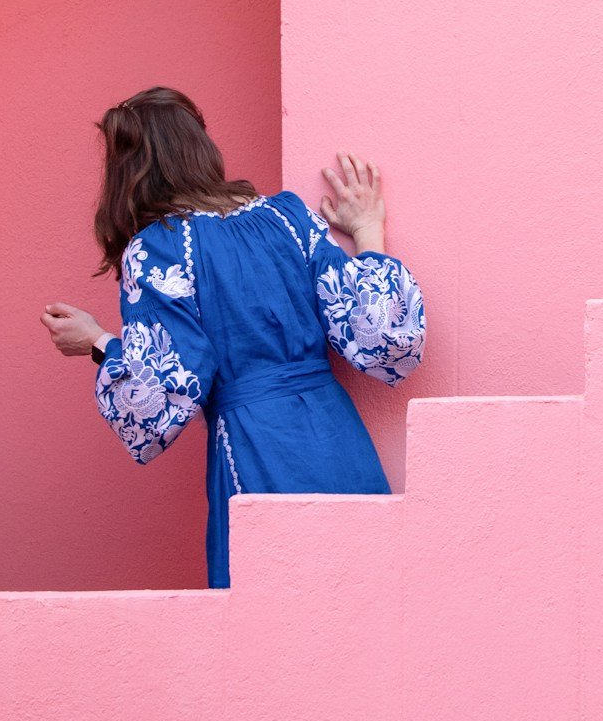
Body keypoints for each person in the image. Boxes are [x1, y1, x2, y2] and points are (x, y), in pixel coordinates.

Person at [41, 86, 424, 586]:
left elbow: (154, 401)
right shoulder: (287, 217)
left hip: (255, 445)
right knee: (364, 595)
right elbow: (383, 336)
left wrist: (97, 342)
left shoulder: (157, 249)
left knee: (275, 622)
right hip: (337, 436)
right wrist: (369, 228)